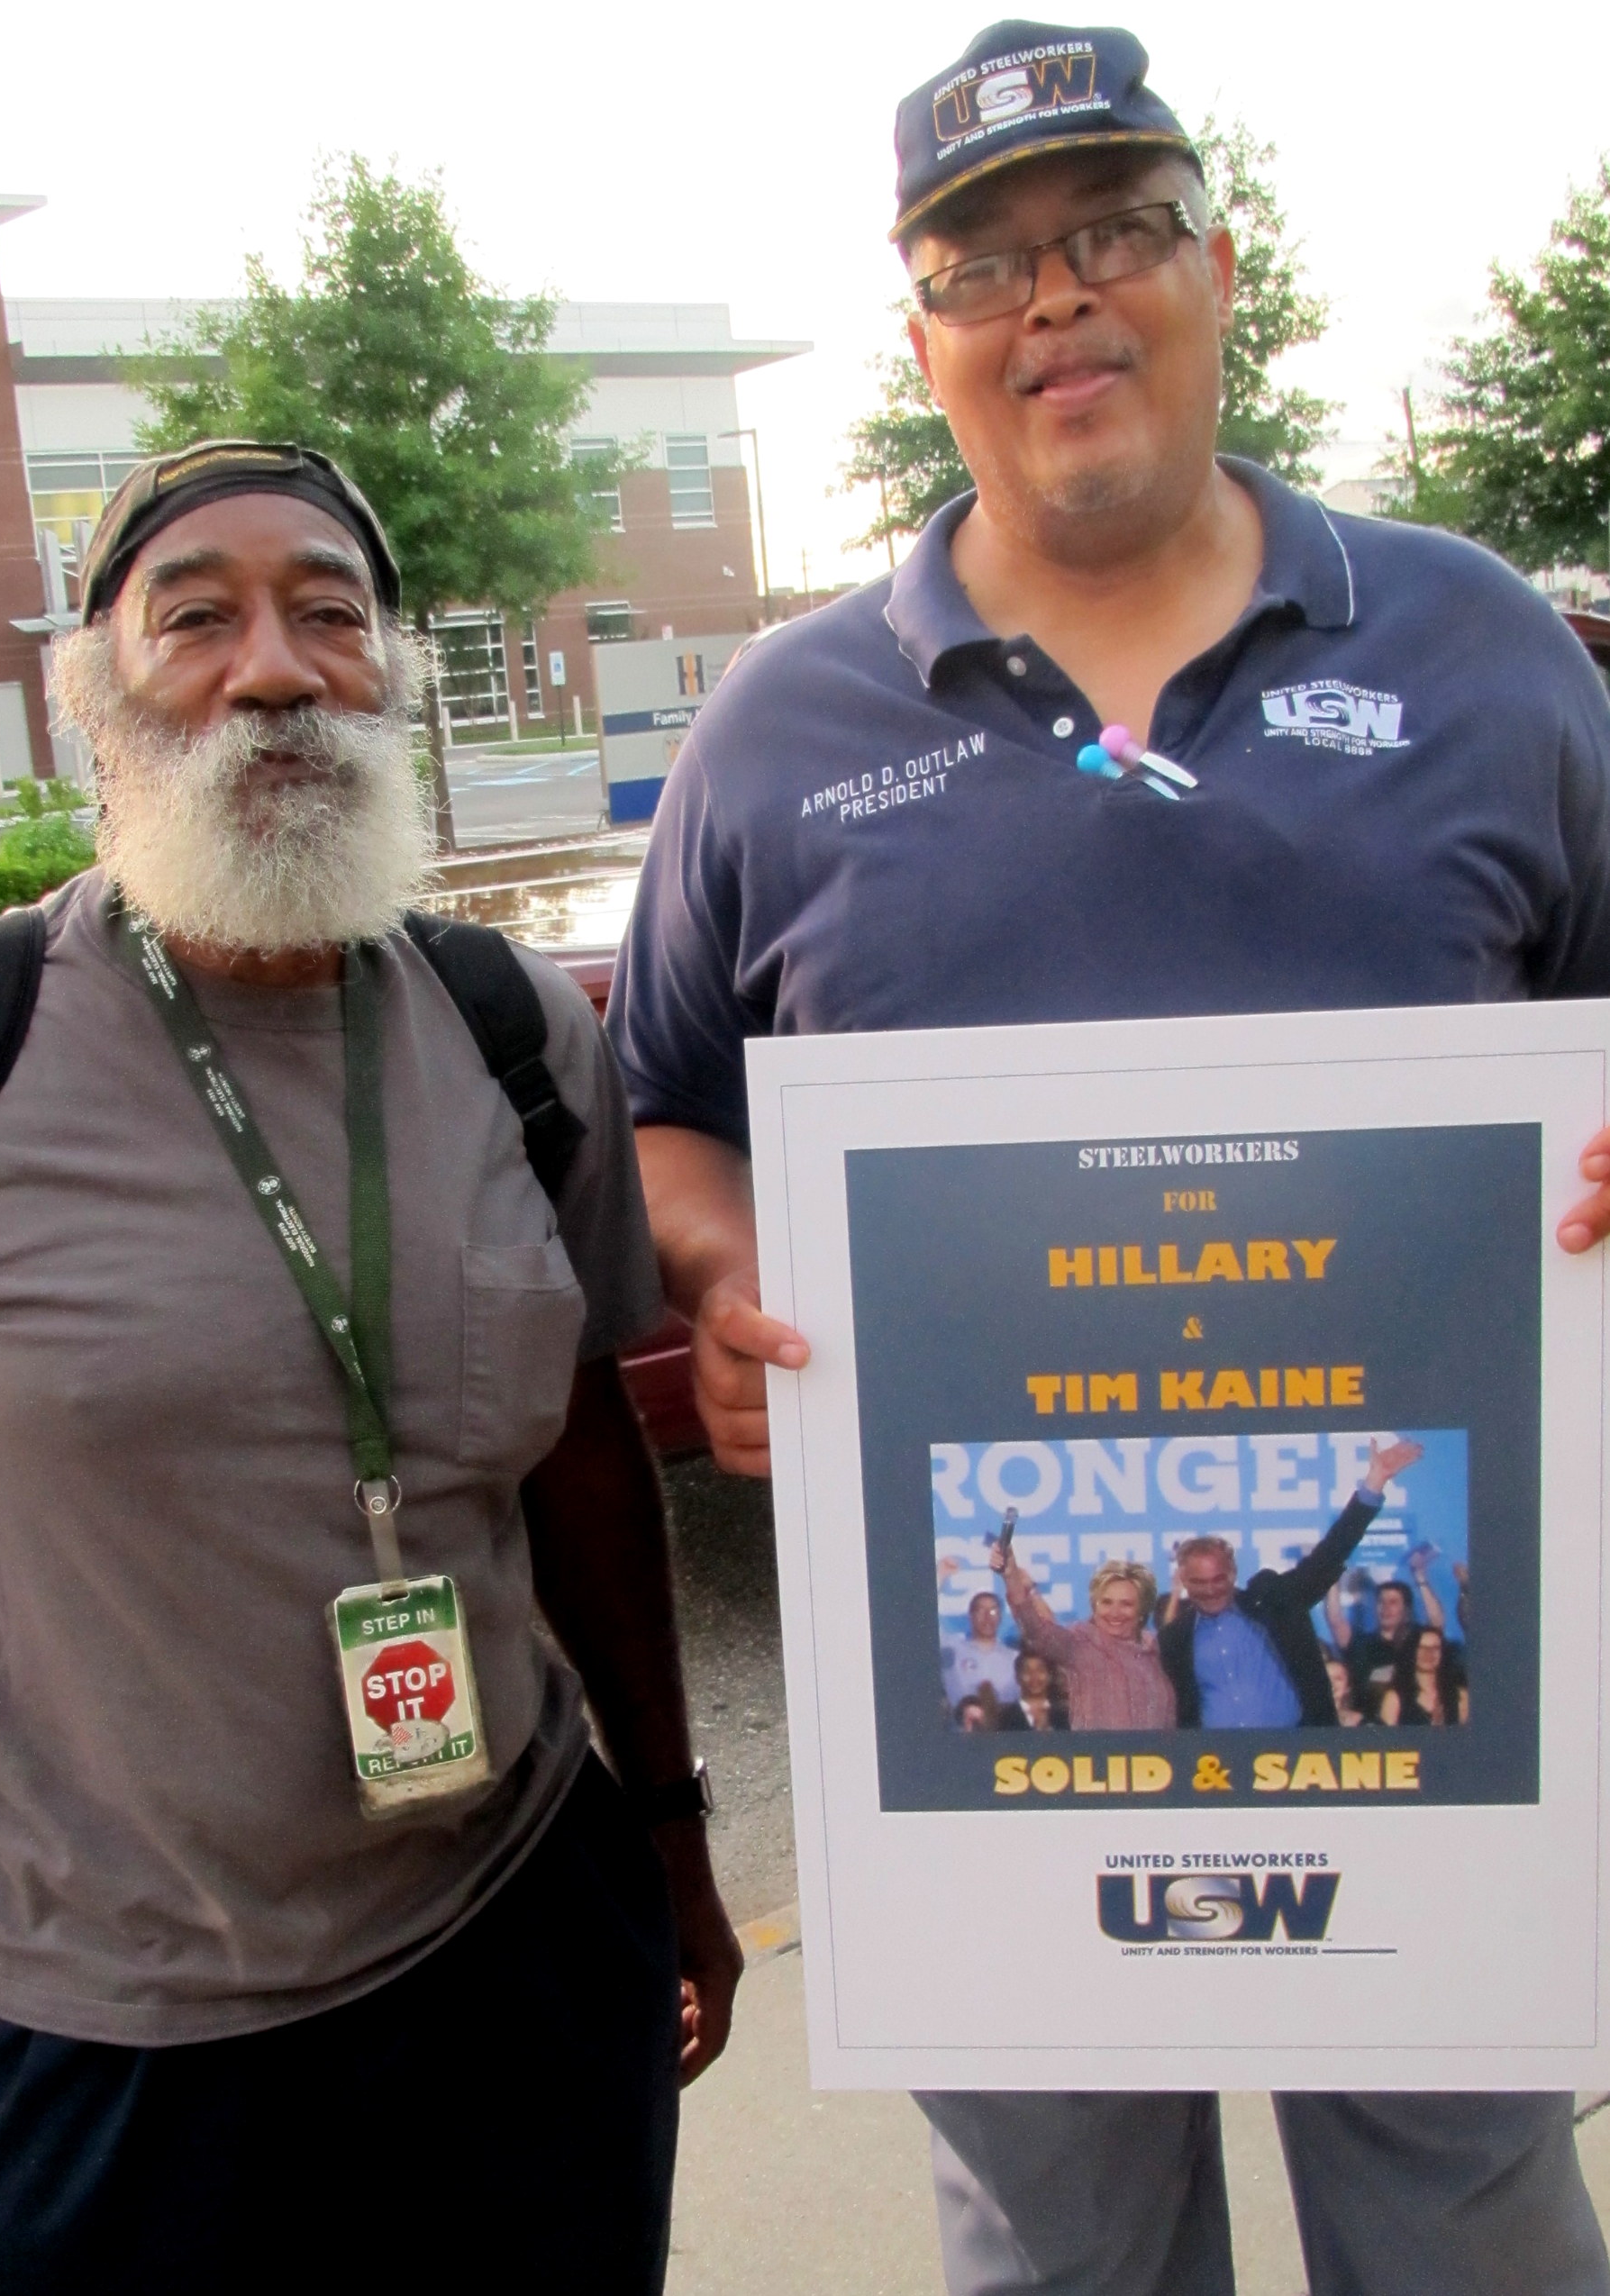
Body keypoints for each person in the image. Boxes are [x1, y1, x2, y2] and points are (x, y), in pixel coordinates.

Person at [604, 14, 1610, 2289]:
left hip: (1446, 1749)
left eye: (1113, 232)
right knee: (1064, 2257)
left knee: (1468, 2228)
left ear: (1215, 270)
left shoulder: (1480, 649)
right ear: (927, 343)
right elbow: (666, 1107)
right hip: (988, 1782)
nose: (1053, 299)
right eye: (983, 266)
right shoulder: (778, 729)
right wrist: (730, 1276)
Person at [0, 442, 741, 2296]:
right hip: (103, 2044)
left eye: (328, 613)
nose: (273, 666)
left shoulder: (511, 1029)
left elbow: (584, 1461)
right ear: (95, 694)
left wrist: (672, 1839)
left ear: (389, 675)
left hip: (517, 1964)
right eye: (195, 615)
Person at [1158, 1439, 1420, 1729]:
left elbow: (1329, 1555)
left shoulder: (1275, 1601)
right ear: (1183, 1580)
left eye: (1218, 1579)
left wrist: (1374, 1484)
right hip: (1216, 1757)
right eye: (1199, 1582)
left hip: (1298, 1751)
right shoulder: (1173, 1639)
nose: (1210, 1590)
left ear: (1232, 1572)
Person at [992, 1554, 1173, 1730]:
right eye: (1106, 1602)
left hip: (1156, 1750)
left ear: (1142, 1609)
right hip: (1097, 1750)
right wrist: (1012, 1577)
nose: (1114, 1612)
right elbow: (1036, 1630)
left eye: (1126, 1604)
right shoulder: (1082, 1643)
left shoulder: (1158, 1650)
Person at [1326, 1551, 1446, 1716]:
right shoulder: (1361, 1643)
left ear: (1406, 1611)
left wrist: (1419, 1576)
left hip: (1409, 1722)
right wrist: (1333, 1573)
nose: (1386, 1608)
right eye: (1381, 1602)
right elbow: (1335, 1619)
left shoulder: (1416, 1642)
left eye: (1393, 1602)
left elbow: (1437, 1623)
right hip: (1369, 1725)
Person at [942, 1586, 1020, 1711]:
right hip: (960, 1721)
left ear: (1000, 1617)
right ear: (970, 1615)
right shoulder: (953, 1651)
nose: (987, 1617)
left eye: (993, 1611)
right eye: (980, 1611)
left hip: (1004, 1721)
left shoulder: (1015, 1658)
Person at [1378, 1625, 1469, 1728]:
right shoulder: (1394, 1699)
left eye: (1435, 1648)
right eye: (1421, 1648)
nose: (1428, 1653)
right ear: (1412, 1652)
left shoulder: (1461, 1697)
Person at [998, 1647, 1069, 1733]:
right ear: (1017, 1677)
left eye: (1040, 1670)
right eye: (1027, 1671)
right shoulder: (1006, 1717)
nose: (1034, 1677)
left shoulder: (1063, 1716)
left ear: (1049, 1676)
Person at [1323, 1651, 1367, 1729]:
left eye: (1338, 1678)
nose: (1331, 1683)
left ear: (1348, 1687)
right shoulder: (1306, 1720)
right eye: (1327, 1678)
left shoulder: (1363, 1723)